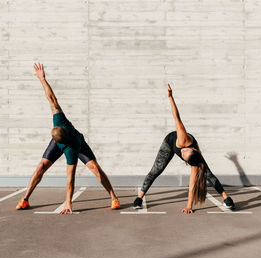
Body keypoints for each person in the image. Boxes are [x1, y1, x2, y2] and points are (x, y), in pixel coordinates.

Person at [16, 63, 120, 214]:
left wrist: (68, 202)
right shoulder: (60, 121)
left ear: (58, 141)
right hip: (63, 140)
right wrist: (42, 79)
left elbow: (70, 180)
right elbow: (51, 98)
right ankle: (25, 199)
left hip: (78, 143)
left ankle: (113, 197)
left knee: (95, 168)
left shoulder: (71, 150)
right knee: (41, 167)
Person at [133, 84, 235, 214]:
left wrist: (189, 206)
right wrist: (171, 97)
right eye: (184, 152)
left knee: (208, 174)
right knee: (156, 170)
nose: (181, 153)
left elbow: (192, 185)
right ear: (191, 149)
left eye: (183, 157)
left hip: (192, 156)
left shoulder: (195, 162)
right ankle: (139, 197)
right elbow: (177, 116)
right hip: (170, 143)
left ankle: (226, 198)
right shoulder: (183, 139)